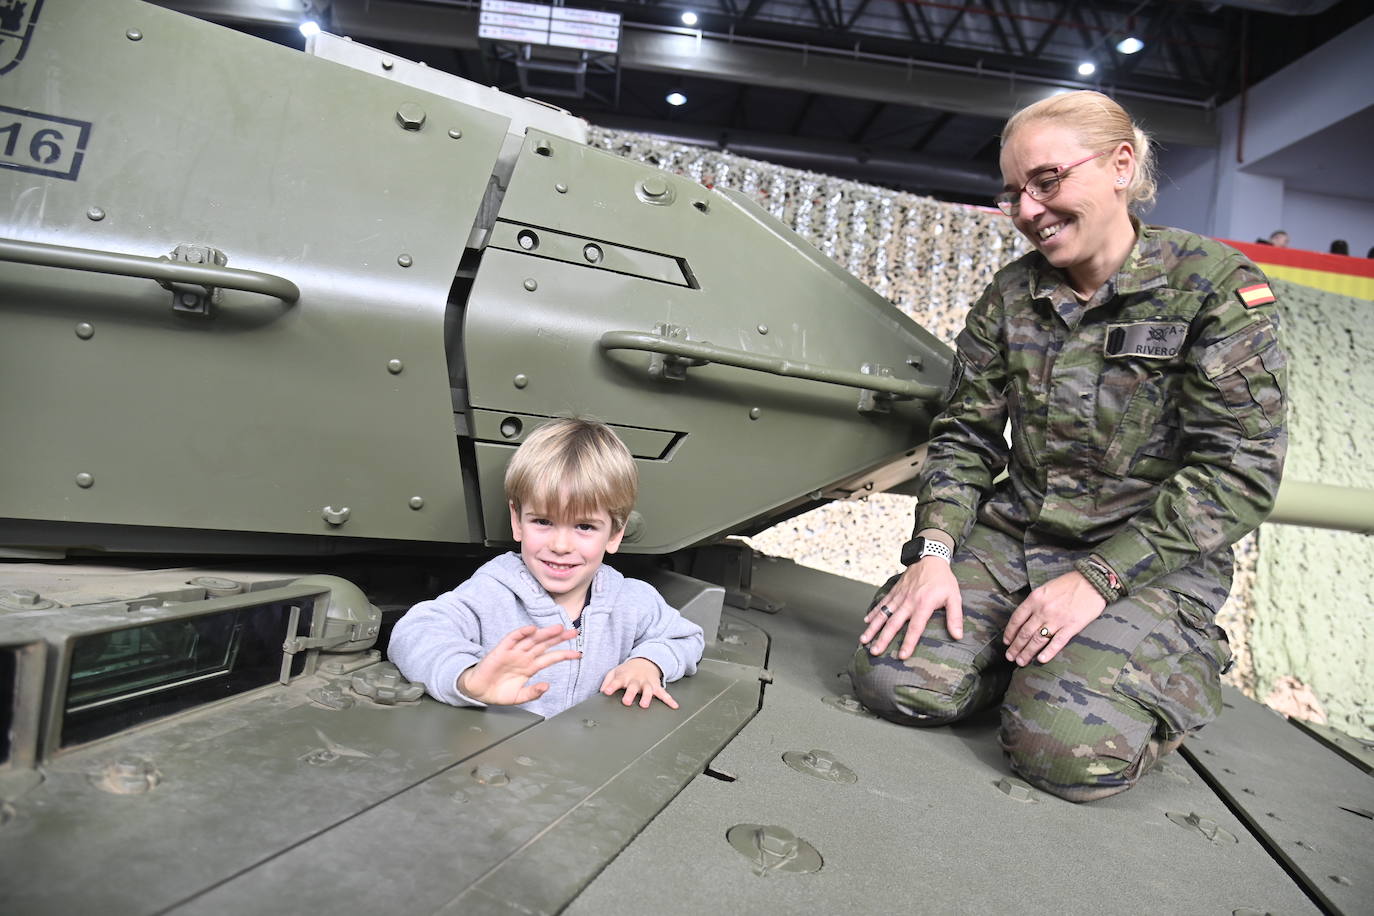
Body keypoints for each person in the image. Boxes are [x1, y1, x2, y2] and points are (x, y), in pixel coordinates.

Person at [849, 90, 1287, 802]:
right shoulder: (1013, 295)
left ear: (1121, 164)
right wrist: (933, 557)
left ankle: (1168, 662)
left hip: (1146, 560)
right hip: (1018, 535)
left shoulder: (1210, 288)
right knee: (895, 681)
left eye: (1047, 182)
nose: (1028, 211)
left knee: (1067, 754)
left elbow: (1241, 469)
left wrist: (1098, 582)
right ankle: (1029, 671)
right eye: (1015, 193)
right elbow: (965, 436)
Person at [389, 417, 704, 717]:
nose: (561, 545)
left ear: (615, 533)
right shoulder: (492, 593)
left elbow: (685, 638)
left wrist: (649, 662)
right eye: (543, 521)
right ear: (517, 521)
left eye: (584, 527)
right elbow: (414, 632)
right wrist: (467, 678)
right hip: (505, 754)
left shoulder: (632, 600)